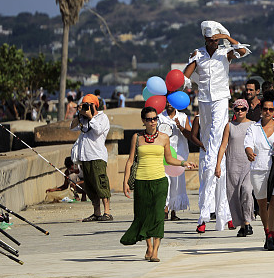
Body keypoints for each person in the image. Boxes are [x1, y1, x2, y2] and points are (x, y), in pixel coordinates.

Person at [182, 20, 250, 234]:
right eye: (210, 41)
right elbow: (185, 76)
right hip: (204, 100)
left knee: (215, 148)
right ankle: (220, 213)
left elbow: (243, 51)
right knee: (209, 142)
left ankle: (220, 212)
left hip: (221, 98)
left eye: (215, 40)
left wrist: (226, 38)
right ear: (204, 40)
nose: (212, 44)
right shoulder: (199, 54)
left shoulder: (225, 51)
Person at [121, 106, 195, 261]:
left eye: (155, 119)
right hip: (141, 181)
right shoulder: (137, 138)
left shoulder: (163, 138)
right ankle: (148, 247)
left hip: (160, 181)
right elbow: (130, 161)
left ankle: (155, 251)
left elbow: (169, 159)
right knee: (143, 215)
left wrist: (183, 163)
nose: (153, 122)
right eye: (149, 119)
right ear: (143, 121)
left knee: (158, 216)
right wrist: (126, 181)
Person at [244, 92, 274, 251]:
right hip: (258, 169)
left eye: (271, 110)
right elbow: (248, 144)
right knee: (261, 204)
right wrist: (249, 152)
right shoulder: (253, 127)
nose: (268, 112)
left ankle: (272, 235)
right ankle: (266, 231)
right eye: (265, 109)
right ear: (261, 109)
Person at [215, 99, 255, 237]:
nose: (239, 112)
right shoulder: (230, 126)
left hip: (248, 164)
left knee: (247, 191)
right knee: (234, 196)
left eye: (242, 109)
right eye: (237, 109)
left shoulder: (253, 125)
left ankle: (248, 222)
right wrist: (218, 165)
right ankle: (242, 224)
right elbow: (223, 145)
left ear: (246, 110)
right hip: (232, 164)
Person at [70, 94, 113, 222]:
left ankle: (107, 212)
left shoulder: (102, 117)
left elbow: (98, 131)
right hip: (85, 156)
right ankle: (96, 212)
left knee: (101, 183)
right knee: (90, 186)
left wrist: (90, 117)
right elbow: (72, 127)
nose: (86, 107)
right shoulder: (82, 119)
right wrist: (79, 113)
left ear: (95, 105)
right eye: (84, 105)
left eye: (88, 105)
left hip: (97, 156)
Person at [160, 102, 191, 220]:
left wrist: (180, 127)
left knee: (177, 183)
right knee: (166, 181)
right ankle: (165, 209)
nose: (168, 104)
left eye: (171, 101)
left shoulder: (183, 117)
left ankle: (174, 211)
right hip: (164, 155)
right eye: (166, 101)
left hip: (179, 155)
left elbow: (190, 135)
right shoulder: (159, 117)